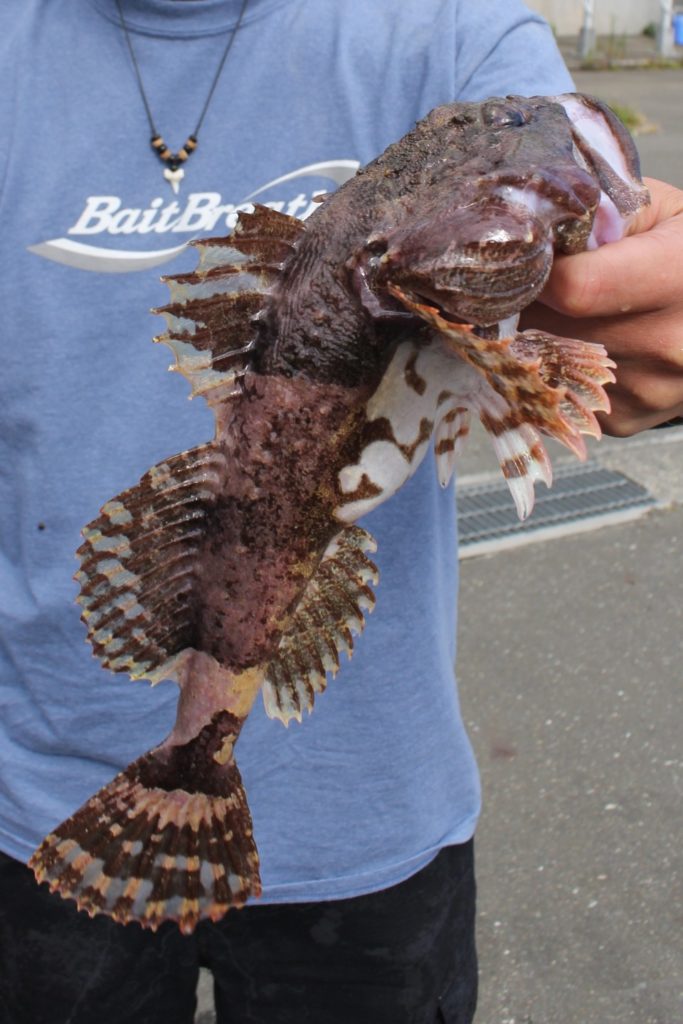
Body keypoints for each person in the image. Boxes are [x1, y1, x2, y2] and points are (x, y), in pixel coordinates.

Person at [0, 2, 681, 1023]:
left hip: (369, 832)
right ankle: (190, 769)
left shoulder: (446, 26)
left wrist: (634, 306)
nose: (515, 142)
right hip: (33, 803)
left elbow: (602, 273)